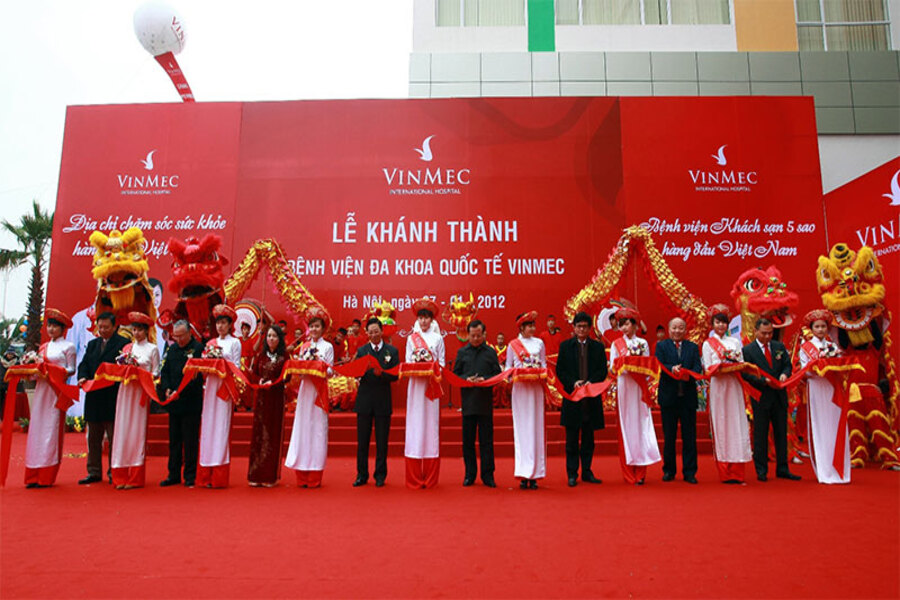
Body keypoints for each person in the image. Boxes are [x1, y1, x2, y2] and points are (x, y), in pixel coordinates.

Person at [741, 318, 800, 482]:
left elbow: (787, 365)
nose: (767, 336)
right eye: (764, 333)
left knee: (781, 433)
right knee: (760, 434)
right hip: (761, 396)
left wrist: (784, 374)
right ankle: (761, 470)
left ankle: (783, 468)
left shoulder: (778, 346)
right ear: (756, 331)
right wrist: (762, 381)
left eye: (770, 333)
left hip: (779, 396)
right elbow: (745, 373)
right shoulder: (748, 350)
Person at [23, 309, 76, 488]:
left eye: (55, 326)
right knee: (36, 430)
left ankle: (46, 476)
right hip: (41, 391)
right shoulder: (43, 347)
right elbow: (36, 371)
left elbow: (71, 369)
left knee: (51, 431)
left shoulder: (68, 346)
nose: (51, 329)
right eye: (49, 326)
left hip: (55, 391)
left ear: (62, 329)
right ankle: (32, 473)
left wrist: (52, 370)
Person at [555, 311, 608, 487]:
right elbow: (560, 370)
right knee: (571, 440)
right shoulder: (565, 346)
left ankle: (587, 471)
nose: (582, 329)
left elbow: (602, 370)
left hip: (591, 399)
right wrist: (573, 382)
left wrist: (592, 382)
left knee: (588, 439)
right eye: (579, 326)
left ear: (590, 328)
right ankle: (572, 473)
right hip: (573, 397)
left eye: (585, 326)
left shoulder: (598, 347)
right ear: (574, 328)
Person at [701, 304, 752, 484]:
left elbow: (741, 363)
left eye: (723, 322)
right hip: (719, 387)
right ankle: (725, 471)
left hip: (734, 385)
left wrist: (733, 364)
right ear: (712, 324)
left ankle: (738, 471)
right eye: (718, 322)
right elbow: (708, 368)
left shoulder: (735, 342)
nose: (721, 325)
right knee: (721, 424)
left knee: (737, 423)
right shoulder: (708, 344)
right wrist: (721, 366)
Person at [609, 307, 660, 485]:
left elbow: (647, 364)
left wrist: (634, 364)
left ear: (635, 325)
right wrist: (626, 364)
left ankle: (641, 470)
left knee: (640, 424)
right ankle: (628, 471)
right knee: (626, 425)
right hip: (625, 386)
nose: (624, 328)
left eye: (627, 324)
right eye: (621, 325)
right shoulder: (616, 344)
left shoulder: (642, 343)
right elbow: (613, 367)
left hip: (639, 387)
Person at [77, 311, 128, 484]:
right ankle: (94, 472)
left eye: (106, 327)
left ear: (115, 327)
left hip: (111, 397)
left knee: (113, 438)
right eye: (100, 327)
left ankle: (114, 471)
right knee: (93, 438)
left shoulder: (123, 344)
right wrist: (82, 377)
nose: (103, 330)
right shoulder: (93, 344)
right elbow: (84, 364)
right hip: (93, 397)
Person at [285, 308, 335, 488]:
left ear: (323, 328)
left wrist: (318, 365)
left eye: (317, 326)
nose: (314, 329)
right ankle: (301, 472)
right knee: (303, 429)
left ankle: (315, 473)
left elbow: (330, 371)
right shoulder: (304, 347)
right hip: (305, 392)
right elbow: (299, 370)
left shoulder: (327, 347)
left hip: (319, 393)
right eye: (311, 326)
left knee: (317, 430)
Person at [110, 312, 160, 489]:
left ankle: (135, 477)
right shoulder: (127, 349)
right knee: (122, 431)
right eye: (134, 329)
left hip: (140, 393)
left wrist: (140, 372)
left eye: (139, 330)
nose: (136, 333)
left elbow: (156, 373)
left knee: (137, 432)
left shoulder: (152, 349)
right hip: (125, 392)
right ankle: (120, 475)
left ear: (146, 331)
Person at [800, 309, 850, 484]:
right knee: (820, 425)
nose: (821, 329)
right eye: (817, 327)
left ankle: (840, 469)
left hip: (832, 388)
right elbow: (804, 371)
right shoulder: (806, 348)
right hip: (816, 388)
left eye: (823, 326)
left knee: (835, 424)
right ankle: (825, 470)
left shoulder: (833, 347)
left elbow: (841, 366)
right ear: (811, 329)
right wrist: (817, 369)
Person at [197, 304, 242, 488]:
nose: (221, 326)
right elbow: (203, 368)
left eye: (224, 323)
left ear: (230, 325)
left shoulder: (235, 343)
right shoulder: (210, 344)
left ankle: (219, 477)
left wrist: (222, 363)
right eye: (218, 323)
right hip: (210, 389)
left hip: (224, 388)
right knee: (207, 428)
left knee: (221, 430)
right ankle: (205, 475)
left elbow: (236, 367)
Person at [452, 319, 501, 487]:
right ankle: (469, 474)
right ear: (468, 335)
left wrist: (484, 379)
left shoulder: (490, 352)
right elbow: (455, 375)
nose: (475, 339)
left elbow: (497, 375)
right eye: (472, 336)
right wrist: (466, 379)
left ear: (484, 334)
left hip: (485, 403)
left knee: (486, 441)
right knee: (468, 441)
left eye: (478, 336)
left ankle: (488, 475)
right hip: (468, 403)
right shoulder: (462, 352)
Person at [404, 297, 446, 489]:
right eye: (420, 318)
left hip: (431, 387)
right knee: (414, 426)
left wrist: (431, 367)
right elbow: (407, 362)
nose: (423, 321)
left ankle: (430, 477)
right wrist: (418, 365)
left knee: (431, 426)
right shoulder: (411, 339)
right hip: (415, 387)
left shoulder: (438, 339)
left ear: (432, 319)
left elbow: (442, 364)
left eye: (426, 318)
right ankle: (413, 475)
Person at [656, 317, 703, 484]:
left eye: (680, 328)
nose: (677, 331)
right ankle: (669, 470)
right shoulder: (661, 346)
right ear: (669, 330)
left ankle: (690, 472)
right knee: (669, 437)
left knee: (689, 437)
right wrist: (672, 369)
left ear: (685, 330)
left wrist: (686, 372)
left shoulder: (692, 347)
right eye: (674, 328)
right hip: (669, 398)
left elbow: (698, 367)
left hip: (687, 398)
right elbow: (659, 364)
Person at [353, 317, 399, 487]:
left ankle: (380, 475)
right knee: (362, 442)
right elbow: (356, 373)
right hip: (364, 401)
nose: (374, 335)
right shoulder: (362, 351)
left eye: (376, 331)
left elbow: (396, 375)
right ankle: (361, 475)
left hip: (382, 401)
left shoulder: (391, 351)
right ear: (367, 333)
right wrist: (362, 371)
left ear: (381, 331)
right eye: (370, 332)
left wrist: (383, 374)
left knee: (382, 442)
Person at [158, 320, 204, 487]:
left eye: (181, 336)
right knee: (174, 440)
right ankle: (173, 474)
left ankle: (190, 475)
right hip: (174, 403)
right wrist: (167, 389)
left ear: (189, 333)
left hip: (190, 401)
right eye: (175, 336)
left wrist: (180, 392)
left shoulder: (198, 349)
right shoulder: (172, 349)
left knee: (190, 441)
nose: (178, 339)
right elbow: (165, 372)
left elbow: (197, 377)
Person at [506, 310, 547, 490]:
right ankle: (523, 473)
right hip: (521, 390)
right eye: (528, 325)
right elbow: (508, 368)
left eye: (533, 325)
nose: (532, 328)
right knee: (521, 429)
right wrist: (515, 375)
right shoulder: (513, 345)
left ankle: (536, 473)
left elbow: (544, 365)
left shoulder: (539, 343)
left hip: (536, 389)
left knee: (536, 428)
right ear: (521, 328)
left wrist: (540, 373)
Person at [246, 324, 288, 487]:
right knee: (258, 435)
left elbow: (288, 376)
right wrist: (260, 381)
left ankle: (270, 476)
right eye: (269, 336)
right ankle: (255, 475)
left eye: (274, 336)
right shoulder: (261, 356)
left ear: (279, 339)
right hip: (262, 399)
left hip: (276, 399)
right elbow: (254, 374)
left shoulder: (285, 356)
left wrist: (274, 383)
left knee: (272, 434)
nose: (271, 339)